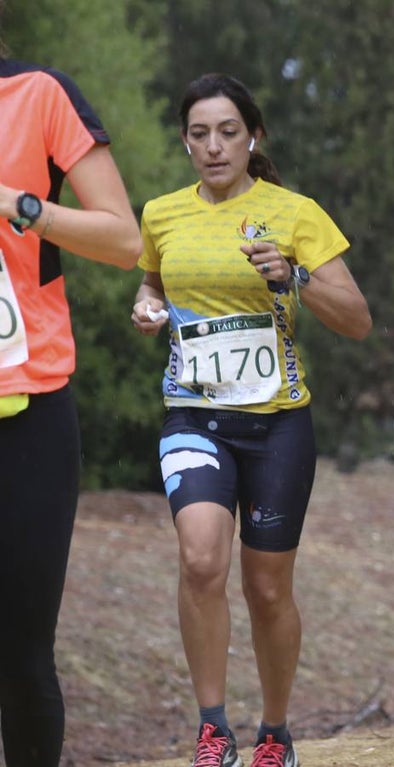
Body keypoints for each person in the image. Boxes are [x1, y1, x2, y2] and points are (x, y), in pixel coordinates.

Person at [129, 73, 371, 767]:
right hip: (193, 415)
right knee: (202, 558)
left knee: (267, 587)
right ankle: (212, 728)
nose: (213, 146)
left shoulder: (294, 213)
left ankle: (275, 731)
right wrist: (145, 308)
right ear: (184, 142)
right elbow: (151, 283)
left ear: (252, 137)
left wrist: (291, 275)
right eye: (199, 134)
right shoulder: (163, 214)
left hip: (277, 426)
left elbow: (356, 320)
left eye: (227, 132)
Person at [0, 27, 142, 767]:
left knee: (21, 657)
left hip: (28, 410)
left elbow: (125, 241)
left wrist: (19, 206)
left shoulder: (38, 94)